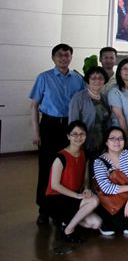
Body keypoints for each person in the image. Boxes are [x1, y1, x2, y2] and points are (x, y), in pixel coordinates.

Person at [29, 43, 85, 224]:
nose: (63, 58)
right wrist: (36, 132)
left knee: (68, 168)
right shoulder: (44, 77)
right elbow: (34, 106)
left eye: (67, 55)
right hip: (49, 126)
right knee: (46, 168)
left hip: (70, 127)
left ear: (71, 57)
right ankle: (44, 209)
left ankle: (63, 208)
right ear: (53, 58)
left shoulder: (78, 79)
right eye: (59, 55)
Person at [45, 121, 101, 242]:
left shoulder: (84, 154)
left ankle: (65, 222)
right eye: (74, 134)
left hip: (73, 198)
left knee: (96, 223)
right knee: (94, 200)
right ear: (68, 136)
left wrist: (86, 188)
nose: (78, 137)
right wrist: (77, 196)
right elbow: (54, 185)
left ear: (86, 136)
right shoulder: (60, 157)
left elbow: (85, 178)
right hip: (56, 199)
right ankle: (68, 230)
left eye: (82, 134)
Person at [93, 126, 128, 237]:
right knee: (116, 224)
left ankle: (125, 224)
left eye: (120, 138)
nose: (117, 141)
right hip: (108, 202)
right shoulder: (99, 162)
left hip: (127, 198)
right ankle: (123, 224)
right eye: (112, 138)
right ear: (106, 142)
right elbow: (106, 188)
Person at [68, 66, 111, 159]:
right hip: (84, 143)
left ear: (104, 80)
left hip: (102, 143)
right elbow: (72, 123)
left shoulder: (104, 98)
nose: (97, 81)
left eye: (100, 78)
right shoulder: (78, 98)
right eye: (93, 78)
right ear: (88, 80)